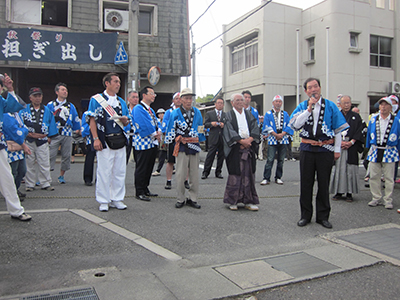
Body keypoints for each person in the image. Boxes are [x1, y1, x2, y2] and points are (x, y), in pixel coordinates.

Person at [290, 78, 349, 229]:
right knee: (306, 183)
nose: (313, 89)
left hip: (325, 149)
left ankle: (323, 216)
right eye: (310, 87)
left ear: (320, 88)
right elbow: (295, 125)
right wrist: (308, 110)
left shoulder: (330, 106)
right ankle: (305, 215)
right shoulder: (303, 106)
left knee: (324, 183)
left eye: (315, 86)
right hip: (307, 149)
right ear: (306, 91)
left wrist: (337, 150)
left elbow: (337, 130)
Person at [87, 72, 131, 212]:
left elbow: (127, 122)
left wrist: (125, 121)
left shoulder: (121, 102)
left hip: (119, 139)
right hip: (104, 139)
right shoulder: (96, 100)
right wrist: (95, 139)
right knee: (104, 171)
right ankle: (103, 200)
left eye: (119, 82)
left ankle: (117, 198)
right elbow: (92, 120)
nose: (118, 84)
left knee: (119, 171)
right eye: (115, 82)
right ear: (107, 83)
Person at [165, 88, 205, 209]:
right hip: (181, 145)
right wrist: (174, 139)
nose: (189, 101)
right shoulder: (175, 113)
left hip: (193, 144)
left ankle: (193, 198)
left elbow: (200, 127)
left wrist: (201, 139)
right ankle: (180, 198)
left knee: (194, 174)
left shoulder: (197, 112)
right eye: (186, 98)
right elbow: (170, 129)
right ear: (181, 100)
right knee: (180, 174)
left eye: (190, 98)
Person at [0, 74, 32, 221]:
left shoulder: (1, 100)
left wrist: (11, 88)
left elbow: (13, 106)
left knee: (7, 177)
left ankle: (16, 210)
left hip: (1, 144)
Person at [222, 93, 260, 211]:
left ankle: (248, 201)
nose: (239, 102)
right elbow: (229, 130)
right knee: (235, 174)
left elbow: (255, 128)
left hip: (248, 147)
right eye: (237, 100)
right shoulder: (228, 115)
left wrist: (249, 140)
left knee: (249, 174)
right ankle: (233, 200)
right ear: (232, 102)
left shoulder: (249, 115)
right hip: (235, 149)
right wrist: (240, 141)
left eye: (241, 100)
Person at [20, 87, 58, 192]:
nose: (37, 98)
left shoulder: (47, 110)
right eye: (35, 96)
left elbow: (51, 124)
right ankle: (30, 184)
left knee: (44, 162)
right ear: (30, 98)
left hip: (42, 139)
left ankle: (45, 183)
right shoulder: (24, 110)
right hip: (29, 139)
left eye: (39, 96)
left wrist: (49, 136)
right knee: (29, 163)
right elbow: (20, 124)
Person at [366, 97, 400, 210]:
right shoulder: (373, 119)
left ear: (391, 107)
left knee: (389, 177)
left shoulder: (396, 120)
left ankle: (388, 199)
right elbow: (368, 134)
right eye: (381, 105)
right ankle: (376, 197)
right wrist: (368, 147)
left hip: (390, 150)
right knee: (374, 176)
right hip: (375, 149)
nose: (383, 107)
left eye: (386, 105)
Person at [330, 95, 366, 202]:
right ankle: (338, 192)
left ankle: (349, 192)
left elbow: (360, 131)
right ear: (340, 104)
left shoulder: (356, 116)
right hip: (339, 144)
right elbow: (332, 130)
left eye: (348, 103)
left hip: (351, 145)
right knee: (339, 169)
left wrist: (351, 142)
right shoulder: (336, 115)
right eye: (344, 103)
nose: (347, 105)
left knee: (350, 169)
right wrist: (339, 142)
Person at [47, 83, 81, 184]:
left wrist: (77, 129)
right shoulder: (50, 105)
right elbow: (46, 119)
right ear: (57, 92)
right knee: (50, 155)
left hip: (67, 132)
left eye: (66, 90)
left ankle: (61, 175)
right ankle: (46, 175)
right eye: (62, 90)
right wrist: (47, 134)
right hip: (54, 132)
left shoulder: (71, 106)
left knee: (66, 155)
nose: (65, 92)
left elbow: (75, 118)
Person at [132, 86, 161, 202]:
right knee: (142, 167)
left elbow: (156, 122)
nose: (154, 96)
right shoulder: (138, 108)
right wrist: (155, 133)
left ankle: (145, 188)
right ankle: (139, 191)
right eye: (151, 93)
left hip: (152, 142)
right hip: (143, 142)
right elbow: (143, 124)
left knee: (149, 166)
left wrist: (159, 131)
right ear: (144, 95)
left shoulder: (150, 109)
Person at [260, 95, 293, 185]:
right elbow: (266, 125)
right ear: (273, 103)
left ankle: (278, 177)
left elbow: (288, 125)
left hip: (283, 138)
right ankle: (266, 177)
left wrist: (282, 134)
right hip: (272, 138)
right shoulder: (268, 114)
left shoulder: (285, 114)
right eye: (276, 101)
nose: (278, 103)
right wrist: (275, 134)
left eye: (280, 102)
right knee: (270, 159)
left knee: (281, 160)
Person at [3, 112, 31, 200]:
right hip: (10, 147)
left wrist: (22, 131)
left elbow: (25, 129)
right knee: (13, 171)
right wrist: (22, 131)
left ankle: (15, 189)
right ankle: (11, 193)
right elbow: (14, 132)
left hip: (19, 147)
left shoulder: (16, 115)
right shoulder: (6, 115)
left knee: (22, 171)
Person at [202, 97, 226, 179]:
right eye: (218, 103)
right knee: (210, 155)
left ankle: (218, 172)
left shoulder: (225, 115)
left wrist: (224, 125)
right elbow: (205, 124)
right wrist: (212, 124)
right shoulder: (210, 113)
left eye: (221, 103)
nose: (220, 104)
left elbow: (228, 125)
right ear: (215, 104)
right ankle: (205, 172)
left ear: (223, 105)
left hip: (222, 137)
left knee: (221, 156)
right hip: (213, 137)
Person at [152, 108, 167, 176]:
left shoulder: (166, 121)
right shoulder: (158, 122)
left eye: (162, 113)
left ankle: (158, 170)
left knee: (162, 154)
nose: (161, 115)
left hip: (165, 139)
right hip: (161, 140)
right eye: (159, 114)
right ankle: (173, 168)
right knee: (165, 154)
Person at [81, 111, 95, 186]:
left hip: (102, 138)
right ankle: (87, 178)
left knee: (103, 159)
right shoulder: (87, 113)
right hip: (91, 138)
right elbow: (84, 126)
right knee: (90, 158)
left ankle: (100, 178)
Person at [126, 90, 139, 164]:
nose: (135, 99)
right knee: (124, 159)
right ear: (128, 99)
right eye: (133, 97)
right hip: (127, 135)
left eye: (137, 97)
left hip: (137, 136)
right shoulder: (125, 109)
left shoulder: (141, 110)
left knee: (138, 160)